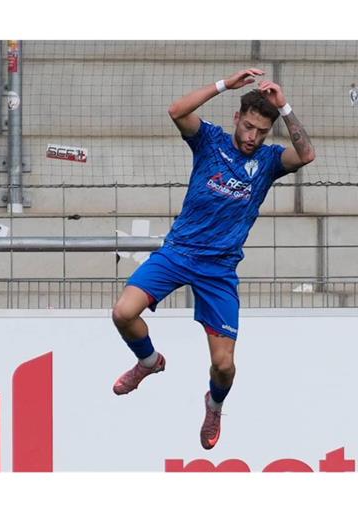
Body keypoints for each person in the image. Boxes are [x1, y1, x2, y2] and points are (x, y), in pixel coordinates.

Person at [111, 68, 316, 449]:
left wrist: (284, 105)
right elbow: (176, 111)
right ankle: (149, 362)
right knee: (123, 312)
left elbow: (306, 154)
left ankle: (214, 404)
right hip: (178, 253)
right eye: (249, 127)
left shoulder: (269, 162)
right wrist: (225, 85)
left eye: (261, 131)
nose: (252, 137)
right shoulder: (209, 142)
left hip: (219, 270)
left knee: (224, 366)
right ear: (237, 119)